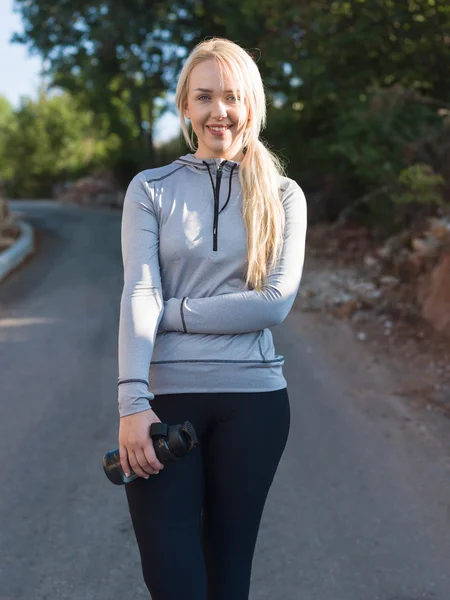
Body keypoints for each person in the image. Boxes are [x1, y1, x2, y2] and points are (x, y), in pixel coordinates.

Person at [117, 37, 307, 600]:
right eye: (203, 97)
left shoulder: (284, 195)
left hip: (256, 404)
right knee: (172, 577)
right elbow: (137, 292)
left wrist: (169, 313)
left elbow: (274, 302)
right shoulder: (150, 189)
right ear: (185, 106)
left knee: (228, 577)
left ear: (251, 105)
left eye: (230, 97)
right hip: (164, 401)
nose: (217, 111)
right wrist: (132, 403)